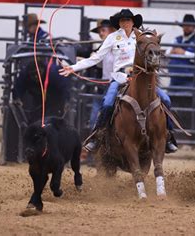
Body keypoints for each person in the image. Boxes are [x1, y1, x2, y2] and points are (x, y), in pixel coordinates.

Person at [59, 9, 178, 153]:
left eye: (128, 20)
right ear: (119, 23)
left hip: (141, 78)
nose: (125, 22)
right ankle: (98, 136)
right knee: (108, 103)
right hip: (120, 77)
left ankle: (168, 136)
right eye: (122, 20)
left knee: (166, 99)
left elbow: (152, 53)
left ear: (133, 22)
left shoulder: (142, 37)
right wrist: (73, 67)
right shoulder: (112, 38)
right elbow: (96, 58)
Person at [87, 19, 115, 130]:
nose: (101, 34)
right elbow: (98, 63)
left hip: (112, 84)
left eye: (103, 30)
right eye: (100, 31)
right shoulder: (103, 46)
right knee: (95, 117)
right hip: (103, 84)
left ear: (111, 31)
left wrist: (93, 57)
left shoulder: (115, 46)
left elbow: (97, 62)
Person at [166, 14, 195, 87]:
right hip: (174, 80)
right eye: (185, 25)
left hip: (190, 82)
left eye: (189, 25)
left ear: (194, 27)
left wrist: (184, 53)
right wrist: (171, 52)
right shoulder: (176, 39)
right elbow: (167, 53)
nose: (187, 27)